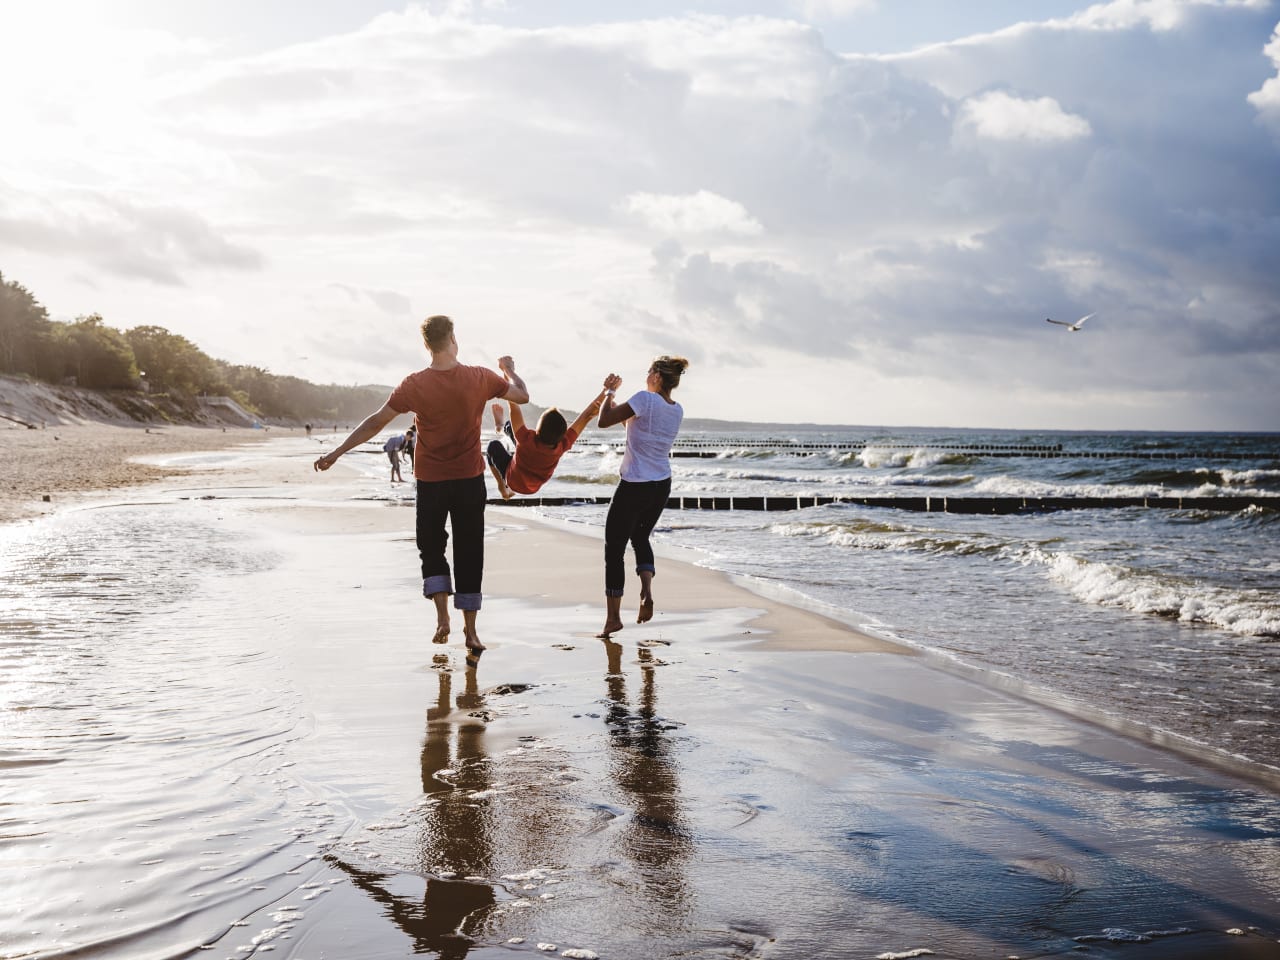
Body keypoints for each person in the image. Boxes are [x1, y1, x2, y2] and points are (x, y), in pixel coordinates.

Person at [313, 315, 529, 659]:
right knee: (470, 552)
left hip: (430, 481)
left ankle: (443, 618)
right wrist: (508, 369)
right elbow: (523, 395)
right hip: (469, 479)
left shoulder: (414, 384)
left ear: (426, 345)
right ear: (453, 338)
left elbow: (376, 422)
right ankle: (471, 633)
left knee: (431, 548)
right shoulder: (479, 377)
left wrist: (338, 452)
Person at [594, 356, 688, 637]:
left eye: (649, 371)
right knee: (640, 537)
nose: (646, 375)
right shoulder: (676, 409)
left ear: (658, 376)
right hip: (661, 484)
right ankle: (646, 592)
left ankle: (613, 619)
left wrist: (609, 393)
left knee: (614, 549)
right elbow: (632, 426)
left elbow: (604, 421)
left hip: (635, 483)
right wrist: (614, 400)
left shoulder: (645, 400)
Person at [485, 385, 609, 500]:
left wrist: (507, 371)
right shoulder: (562, 445)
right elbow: (586, 416)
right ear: (562, 435)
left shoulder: (526, 439)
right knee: (510, 427)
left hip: (512, 480)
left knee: (492, 446)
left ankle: (503, 487)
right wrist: (608, 392)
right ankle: (502, 427)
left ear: (538, 428)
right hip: (533, 486)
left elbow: (513, 406)